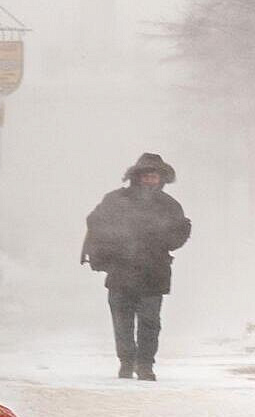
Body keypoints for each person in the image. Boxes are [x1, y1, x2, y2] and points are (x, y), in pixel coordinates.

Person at [81, 153, 191, 381]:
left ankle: (145, 365)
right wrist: (105, 252)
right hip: (121, 271)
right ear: (136, 176)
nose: (150, 180)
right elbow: (95, 223)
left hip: (155, 272)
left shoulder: (170, 206)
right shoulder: (114, 200)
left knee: (150, 321)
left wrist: (171, 235)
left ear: (162, 179)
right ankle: (126, 362)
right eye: (146, 175)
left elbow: (177, 237)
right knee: (122, 321)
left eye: (155, 176)